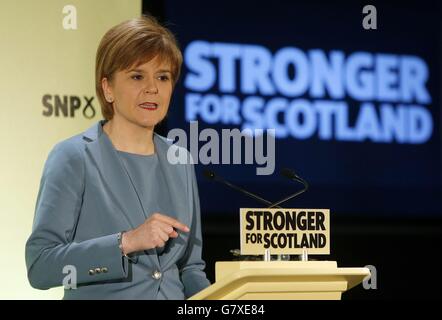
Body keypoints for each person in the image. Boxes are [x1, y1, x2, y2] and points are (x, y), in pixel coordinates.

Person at [25, 15, 210, 300]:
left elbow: (191, 269)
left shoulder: (180, 159)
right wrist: (126, 242)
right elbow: (40, 267)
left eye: (163, 77)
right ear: (107, 88)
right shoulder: (74, 157)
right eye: (137, 76)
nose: (152, 88)